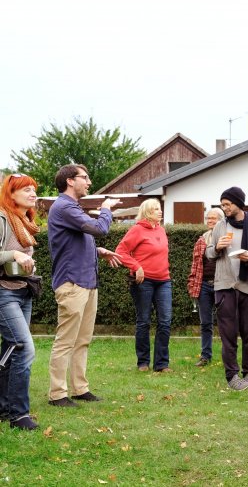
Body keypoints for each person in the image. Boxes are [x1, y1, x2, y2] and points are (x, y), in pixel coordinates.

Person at [47, 164, 121, 407]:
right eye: (85, 178)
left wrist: (98, 251)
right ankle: (57, 394)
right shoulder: (64, 207)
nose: (89, 182)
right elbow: (100, 228)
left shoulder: (72, 208)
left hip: (87, 282)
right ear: (70, 181)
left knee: (83, 340)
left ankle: (80, 388)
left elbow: (75, 241)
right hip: (72, 283)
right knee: (66, 340)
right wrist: (106, 210)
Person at [206, 187, 248, 391]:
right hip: (225, 287)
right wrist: (217, 247)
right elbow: (209, 253)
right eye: (222, 205)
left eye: (227, 204)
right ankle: (232, 376)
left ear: (238, 203)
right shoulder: (220, 226)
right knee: (228, 335)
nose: (224, 208)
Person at [0, 174, 41, 430]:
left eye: (33, 189)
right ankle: (19, 415)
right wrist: (13, 253)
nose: (32, 193)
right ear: (10, 193)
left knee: (11, 350)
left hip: (23, 290)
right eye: (25, 189)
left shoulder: (27, 221)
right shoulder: (2, 218)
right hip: (4, 292)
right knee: (23, 348)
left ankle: (4, 408)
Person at [115, 199, 172, 373]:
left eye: (160, 209)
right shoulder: (137, 230)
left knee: (165, 321)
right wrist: (136, 266)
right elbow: (120, 252)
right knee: (144, 322)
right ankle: (143, 362)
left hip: (164, 281)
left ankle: (161, 364)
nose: (159, 212)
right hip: (143, 282)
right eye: (155, 209)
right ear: (147, 212)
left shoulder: (161, 230)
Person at [187, 207, 225, 367]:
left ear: (221, 220)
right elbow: (195, 265)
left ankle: (227, 356)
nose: (210, 221)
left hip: (222, 285)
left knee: (225, 322)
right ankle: (205, 356)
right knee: (205, 323)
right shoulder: (202, 239)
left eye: (213, 218)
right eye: (208, 218)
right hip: (204, 286)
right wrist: (192, 283)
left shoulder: (226, 238)